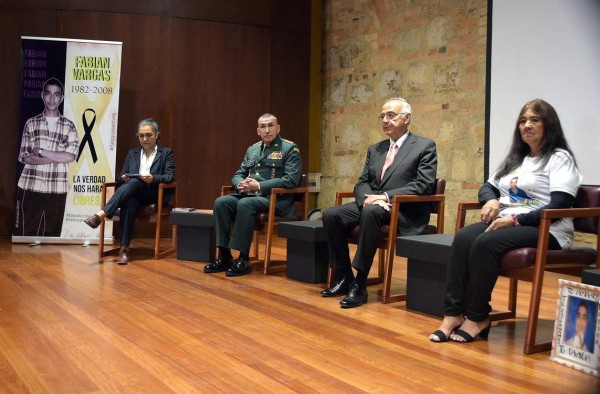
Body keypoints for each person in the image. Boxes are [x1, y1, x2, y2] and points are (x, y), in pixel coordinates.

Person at [430, 99, 582, 343]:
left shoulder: (559, 158)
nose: (527, 125)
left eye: (534, 120)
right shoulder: (517, 158)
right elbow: (488, 187)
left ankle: (478, 316)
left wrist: (514, 219)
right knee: (464, 238)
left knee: (484, 243)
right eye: (523, 121)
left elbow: (560, 206)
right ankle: (453, 314)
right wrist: (490, 201)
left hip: (548, 229)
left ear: (549, 124)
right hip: (508, 221)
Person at [321, 97, 437, 308]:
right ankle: (344, 275)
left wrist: (385, 197)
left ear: (407, 118)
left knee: (371, 212)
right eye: (382, 116)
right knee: (331, 215)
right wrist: (368, 199)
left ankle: (361, 283)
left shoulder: (424, 146)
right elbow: (362, 183)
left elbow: (424, 185)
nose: (385, 120)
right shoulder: (376, 149)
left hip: (403, 210)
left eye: (391, 115)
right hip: (372, 204)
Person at [203, 113, 301, 277]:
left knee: (245, 204)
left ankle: (243, 258)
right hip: (251, 197)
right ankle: (224, 255)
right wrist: (239, 184)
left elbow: (291, 180)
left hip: (275, 199)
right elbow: (238, 174)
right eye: (263, 127)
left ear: (278, 128)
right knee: (221, 202)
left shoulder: (289, 148)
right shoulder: (253, 149)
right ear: (258, 130)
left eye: (270, 126)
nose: (267, 130)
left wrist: (259, 186)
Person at [83, 118, 175, 265]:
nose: (145, 139)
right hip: (133, 193)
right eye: (141, 135)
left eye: (148, 135)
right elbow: (121, 175)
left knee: (135, 181)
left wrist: (153, 178)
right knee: (130, 201)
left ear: (157, 135)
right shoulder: (133, 153)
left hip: (153, 193)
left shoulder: (166, 153)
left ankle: (101, 214)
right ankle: (124, 250)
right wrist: (124, 178)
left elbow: (170, 176)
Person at [16, 77, 79, 237]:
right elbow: (24, 157)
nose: (52, 99)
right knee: (27, 235)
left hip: (57, 189)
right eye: (48, 94)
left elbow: (70, 157)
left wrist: (41, 151)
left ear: (62, 98)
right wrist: (59, 155)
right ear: (42, 96)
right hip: (32, 186)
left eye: (56, 94)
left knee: (53, 237)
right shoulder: (31, 123)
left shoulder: (69, 125)